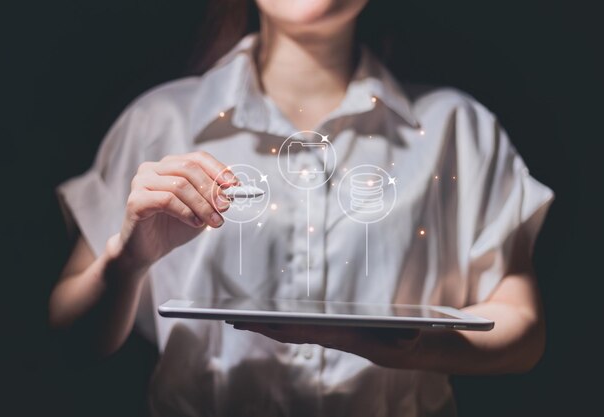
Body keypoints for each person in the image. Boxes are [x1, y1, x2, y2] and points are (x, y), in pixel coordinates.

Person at [49, 0, 554, 416]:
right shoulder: (158, 122)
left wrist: (415, 346)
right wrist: (127, 259)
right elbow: (69, 335)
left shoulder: (457, 129)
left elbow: (523, 330)